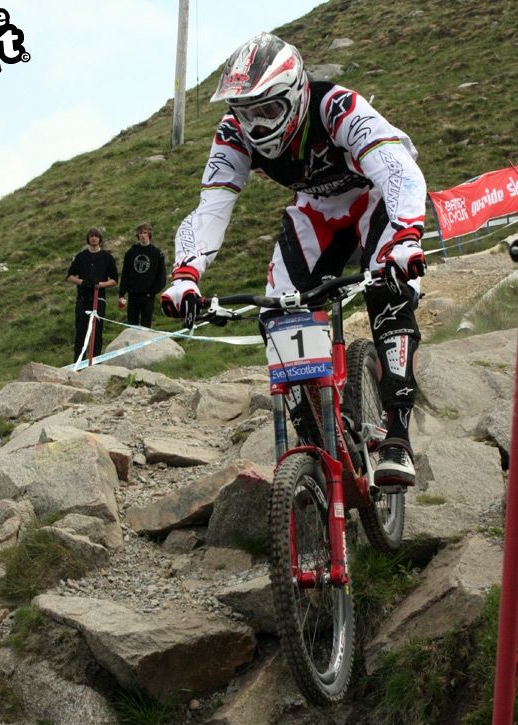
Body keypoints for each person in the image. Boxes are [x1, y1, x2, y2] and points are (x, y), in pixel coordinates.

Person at [161, 33, 427, 487]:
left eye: (267, 110)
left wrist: (406, 236)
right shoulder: (232, 134)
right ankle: (317, 436)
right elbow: (210, 208)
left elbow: (397, 167)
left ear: (295, 95)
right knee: (278, 311)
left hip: (374, 195)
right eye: (246, 113)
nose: (257, 126)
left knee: (391, 293)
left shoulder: (337, 107)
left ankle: (398, 436)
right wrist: (186, 274)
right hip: (316, 210)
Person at [67, 227, 118, 361]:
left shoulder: (107, 257)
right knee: (81, 332)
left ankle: (94, 361)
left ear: (100, 239)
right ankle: (78, 363)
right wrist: (81, 282)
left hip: (99, 298)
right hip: (82, 298)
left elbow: (114, 280)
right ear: (88, 239)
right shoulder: (80, 256)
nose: (94, 238)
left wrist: (100, 284)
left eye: (96, 236)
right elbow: (70, 276)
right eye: (91, 236)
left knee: (97, 332)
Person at [118, 223, 166, 328]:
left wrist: (152, 292)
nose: (143, 235)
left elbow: (161, 277)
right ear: (137, 235)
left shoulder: (157, 254)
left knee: (146, 326)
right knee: (132, 326)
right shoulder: (131, 253)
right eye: (140, 233)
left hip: (148, 296)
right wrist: (122, 293)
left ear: (149, 234)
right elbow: (125, 274)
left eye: (145, 232)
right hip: (133, 295)